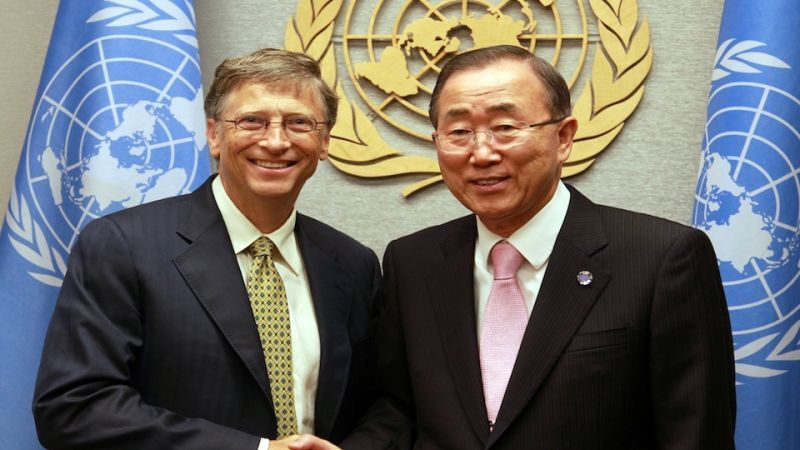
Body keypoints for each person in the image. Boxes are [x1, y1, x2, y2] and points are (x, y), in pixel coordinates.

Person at [290, 45, 736, 449]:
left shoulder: (661, 258)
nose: (482, 153)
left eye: (505, 127)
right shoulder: (413, 262)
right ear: (437, 143)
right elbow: (399, 409)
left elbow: (695, 434)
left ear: (564, 137)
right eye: (459, 132)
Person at [32, 48, 381, 450]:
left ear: (324, 141)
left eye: (299, 123)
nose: (275, 141)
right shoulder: (122, 246)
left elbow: (379, 406)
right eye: (252, 121)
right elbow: (75, 408)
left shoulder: (353, 265)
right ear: (214, 135)